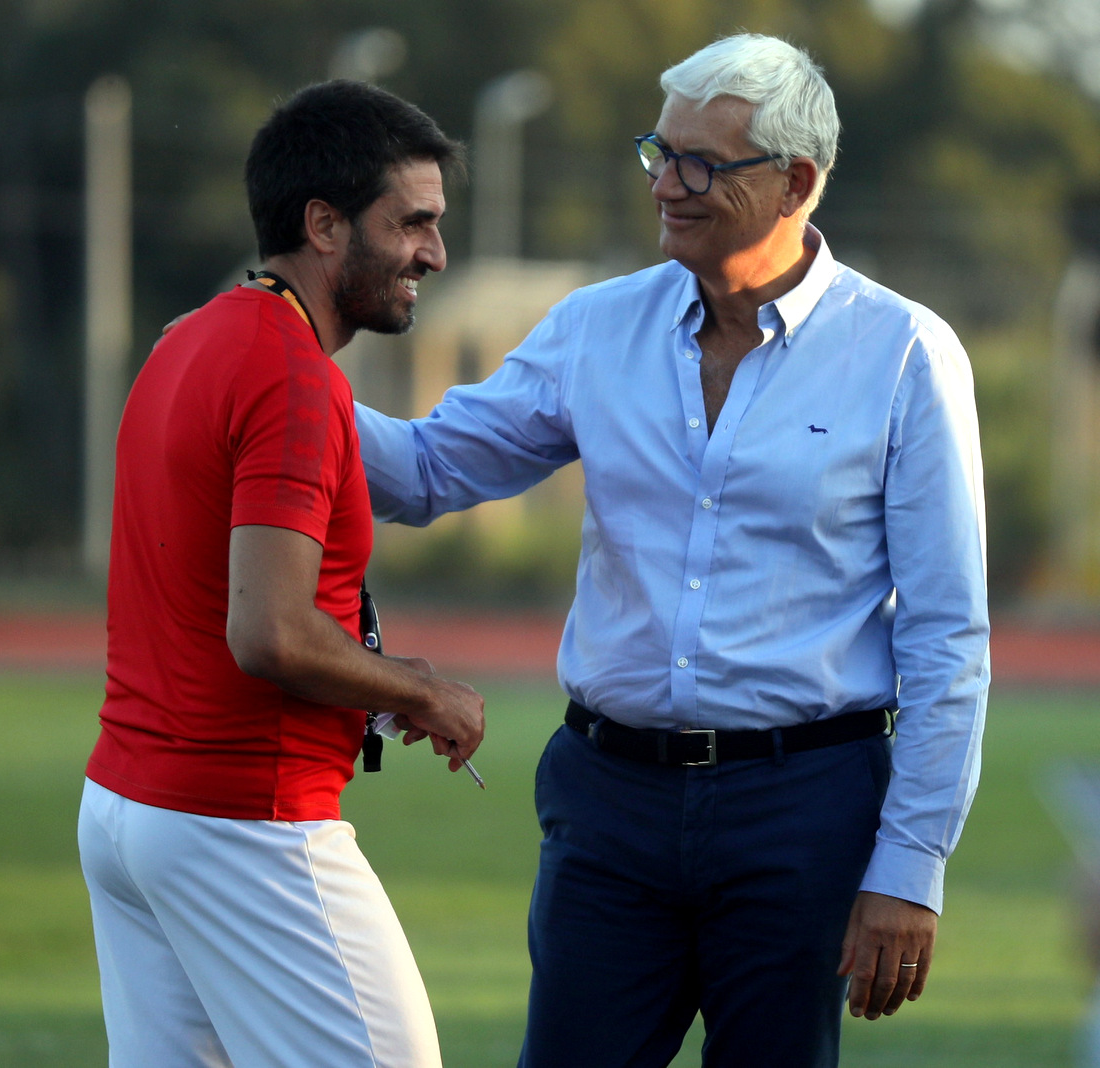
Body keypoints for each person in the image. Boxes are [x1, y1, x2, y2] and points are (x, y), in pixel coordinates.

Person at [355, 33, 990, 1067]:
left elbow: (944, 632)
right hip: (609, 806)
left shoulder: (906, 354)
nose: (668, 184)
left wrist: (908, 865)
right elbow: (429, 469)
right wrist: (270, 380)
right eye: (661, 150)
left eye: (702, 162)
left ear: (795, 181)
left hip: (802, 808)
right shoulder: (596, 328)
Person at [78, 80, 485, 1068]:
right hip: (241, 820)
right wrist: (421, 690)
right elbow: (269, 633)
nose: (433, 252)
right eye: (413, 224)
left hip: (126, 809)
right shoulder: (295, 377)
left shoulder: (187, 340)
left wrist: (374, 685)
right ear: (324, 224)